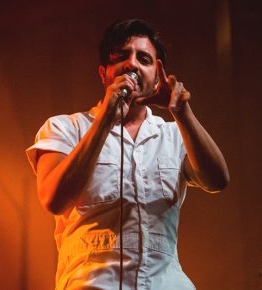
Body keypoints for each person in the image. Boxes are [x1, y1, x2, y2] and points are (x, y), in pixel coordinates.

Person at [26, 19, 229, 290]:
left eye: (144, 59)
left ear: (156, 78)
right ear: (103, 73)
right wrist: (107, 118)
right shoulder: (65, 128)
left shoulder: (173, 135)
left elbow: (217, 180)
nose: (132, 64)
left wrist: (182, 113)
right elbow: (53, 199)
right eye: (122, 56)